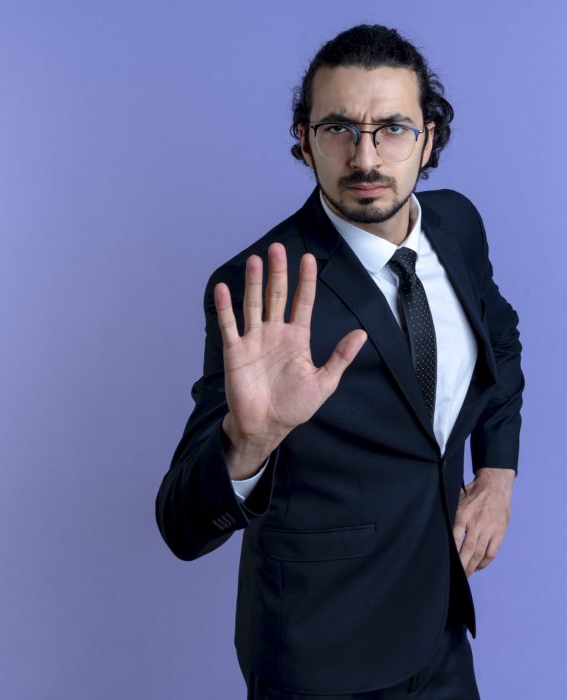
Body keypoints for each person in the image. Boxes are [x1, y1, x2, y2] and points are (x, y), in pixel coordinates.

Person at [156, 24, 525, 699]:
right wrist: (248, 444)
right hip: (320, 655)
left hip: (440, 628)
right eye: (338, 129)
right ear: (304, 139)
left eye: (392, 128)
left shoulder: (458, 227)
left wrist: (496, 472)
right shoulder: (259, 286)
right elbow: (180, 524)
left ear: (430, 138)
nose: (365, 156)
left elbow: (498, 340)